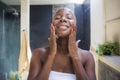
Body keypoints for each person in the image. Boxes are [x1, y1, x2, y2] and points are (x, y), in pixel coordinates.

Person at [27, 7, 96, 80]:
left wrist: (75, 57)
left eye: (69, 17)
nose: (63, 19)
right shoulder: (38, 54)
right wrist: (51, 55)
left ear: (75, 27)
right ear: (52, 25)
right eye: (57, 17)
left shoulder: (87, 57)